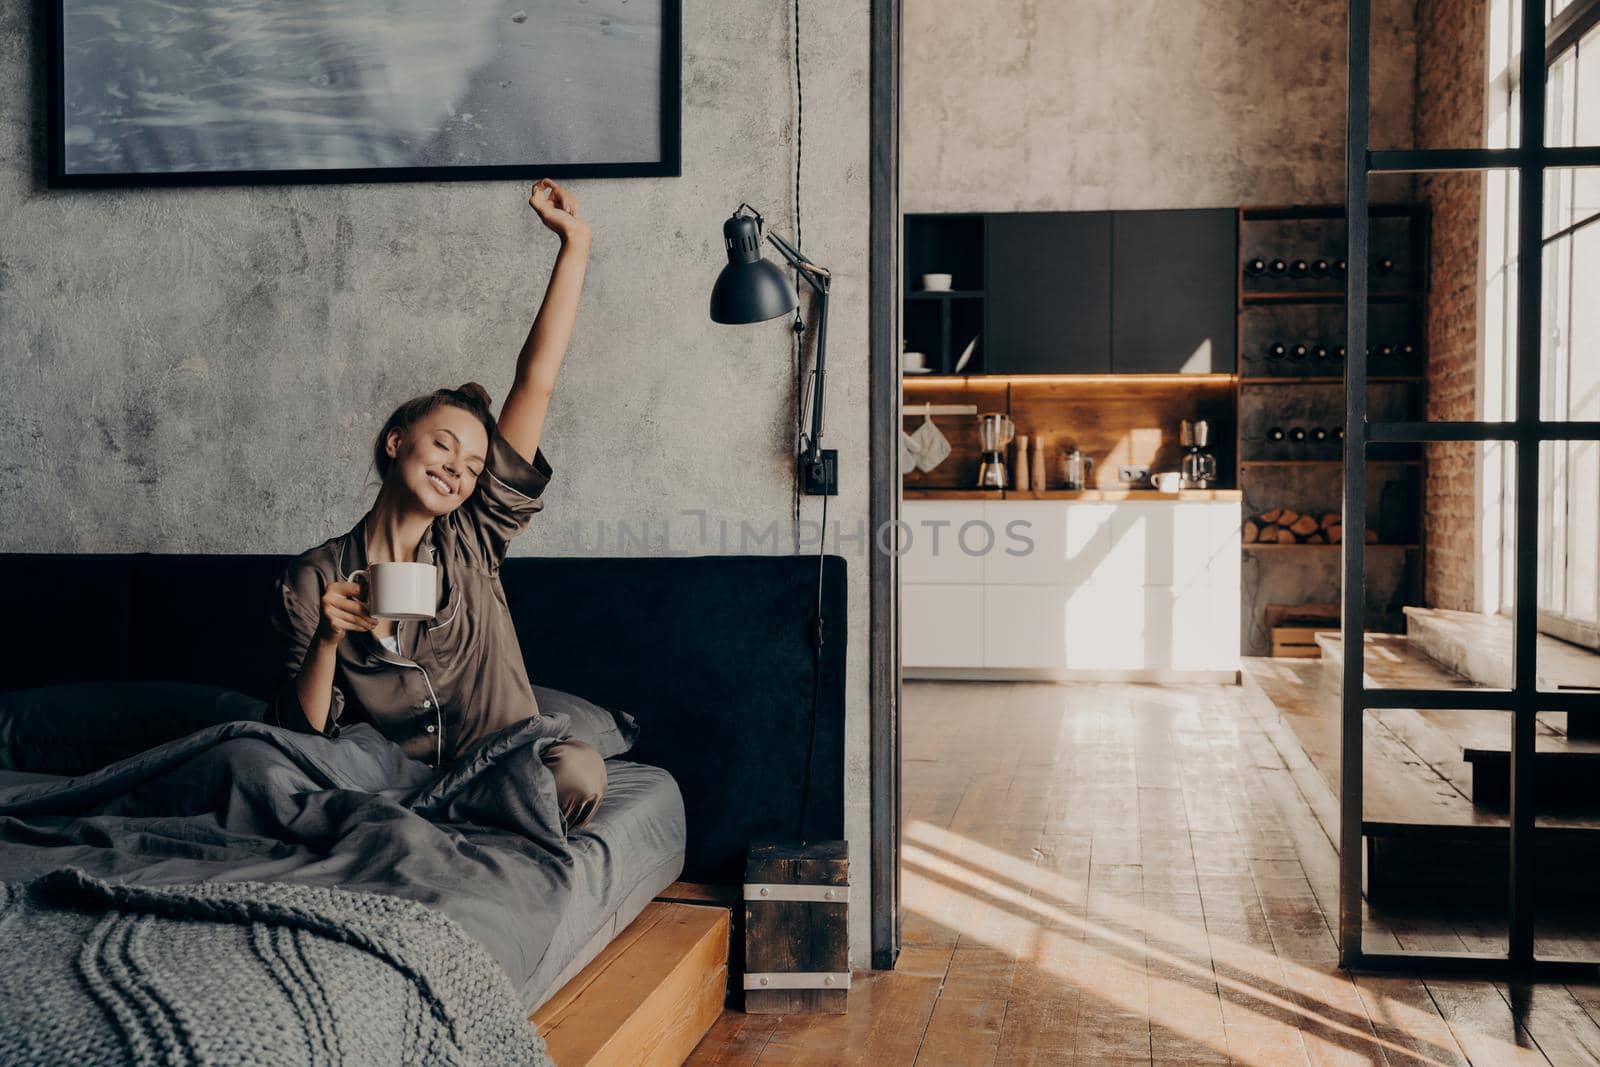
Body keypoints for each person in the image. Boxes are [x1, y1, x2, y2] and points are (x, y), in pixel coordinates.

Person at [268, 178, 604, 831]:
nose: (458, 468)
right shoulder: (313, 577)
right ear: (396, 442)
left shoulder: (474, 536)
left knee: (578, 771)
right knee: (266, 767)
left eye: (474, 465)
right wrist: (330, 640)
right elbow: (299, 732)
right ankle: (428, 814)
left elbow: (535, 382)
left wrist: (575, 247)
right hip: (394, 773)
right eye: (445, 446)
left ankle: (424, 817)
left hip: (502, 761)